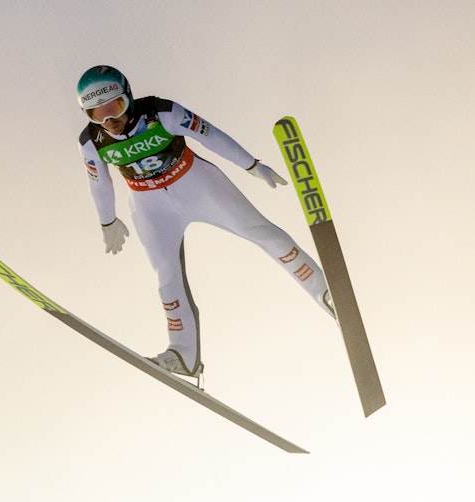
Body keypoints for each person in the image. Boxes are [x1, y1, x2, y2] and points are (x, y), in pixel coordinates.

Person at [76, 65, 334, 378]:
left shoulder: (162, 112)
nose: (109, 120)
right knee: (166, 276)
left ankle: (326, 293)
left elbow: (211, 135)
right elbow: (98, 181)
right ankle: (182, 355)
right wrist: (107, 222)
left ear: (128, 97)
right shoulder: (92, 141)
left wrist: (251, 165)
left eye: (114, 107)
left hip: (197, 185)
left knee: (262, 233)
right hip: (149, 205)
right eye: (96, 114)